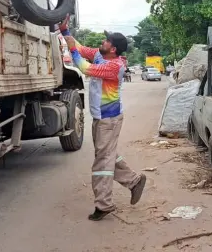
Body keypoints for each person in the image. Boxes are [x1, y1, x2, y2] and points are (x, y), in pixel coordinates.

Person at [57, 16, 146, 221]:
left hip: (109, 119)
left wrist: (72, 50)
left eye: (107, 41)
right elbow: (79, 47)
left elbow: (84, 68)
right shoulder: (99, 54)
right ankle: (133, 181)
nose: (102, 42)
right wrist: (65, 30)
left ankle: (103, 204)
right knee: (106, 154)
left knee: (101, 161)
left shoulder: (115, 66)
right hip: (100, 117)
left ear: (113, 49)